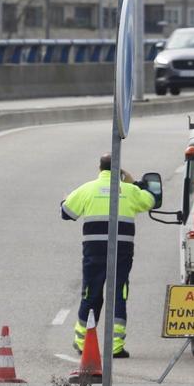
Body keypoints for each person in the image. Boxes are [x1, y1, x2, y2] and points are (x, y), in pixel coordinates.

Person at [61, 153, 156, 358]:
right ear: (119, 171)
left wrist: (66, 200)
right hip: (121, 252)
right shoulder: (129, 191)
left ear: (100, 169)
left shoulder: (88, 188)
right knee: (119, 294)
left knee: (91, 294)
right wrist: (135, 183)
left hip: (94, 252)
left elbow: (66, 212)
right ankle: (115, 347)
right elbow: (151, 200)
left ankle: (81, 342)